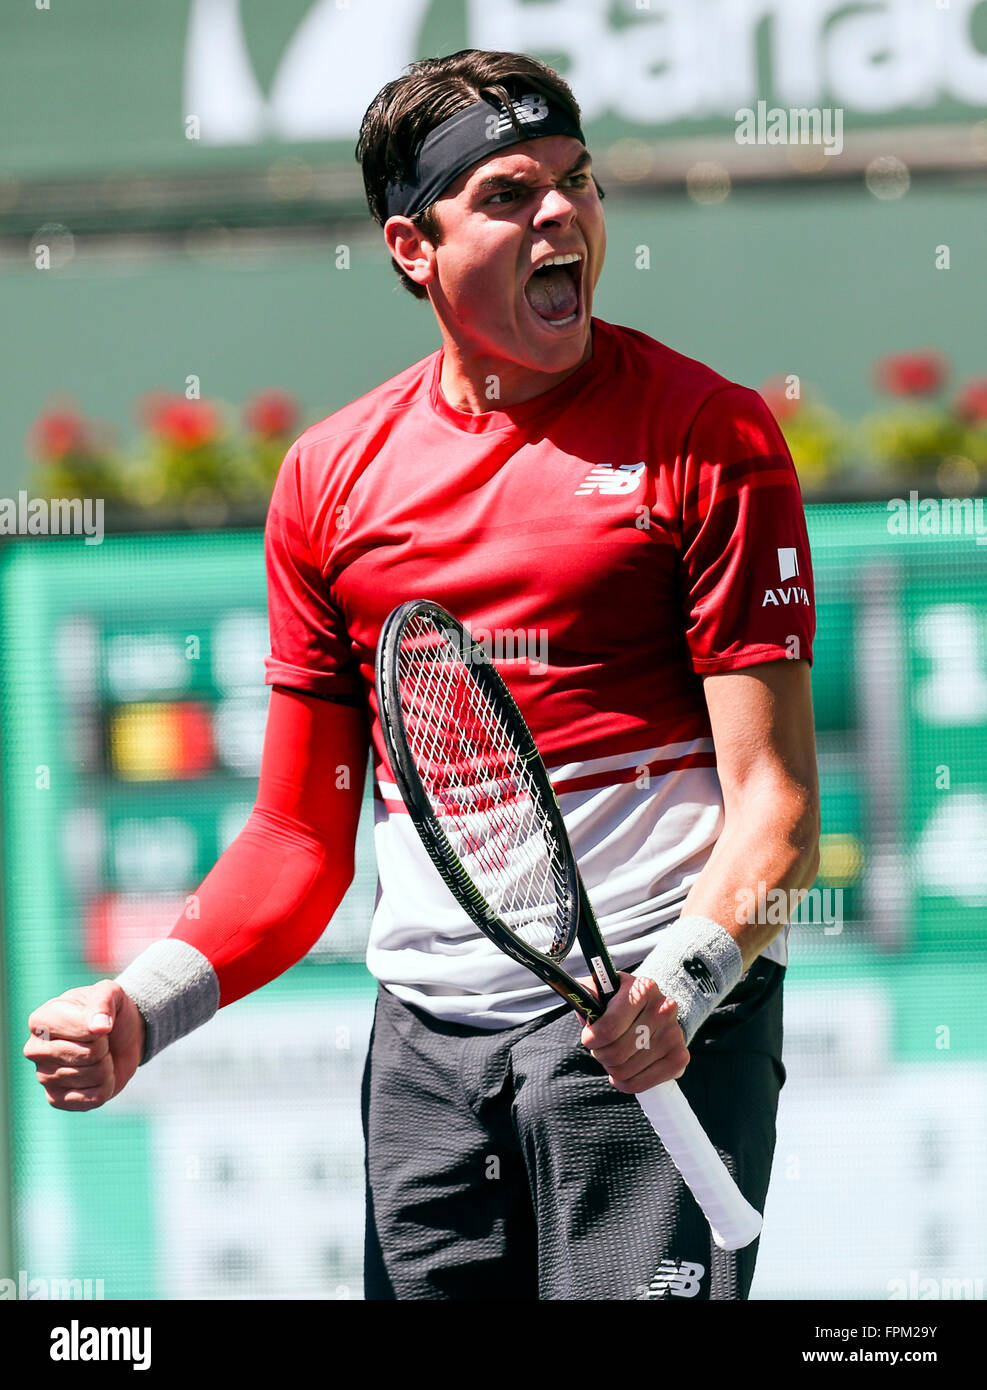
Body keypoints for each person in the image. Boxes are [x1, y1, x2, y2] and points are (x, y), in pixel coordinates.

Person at [24, 48, 819, 1301]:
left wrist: (688, 979)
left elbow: (775, 809)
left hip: (655, 1036)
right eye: (509, 194)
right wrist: (145, 1006)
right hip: (425, 1065)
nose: (561, 214)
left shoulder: (709, 435)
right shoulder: (330, 478)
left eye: (578, 182)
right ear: (412, 247)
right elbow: (296, 838)